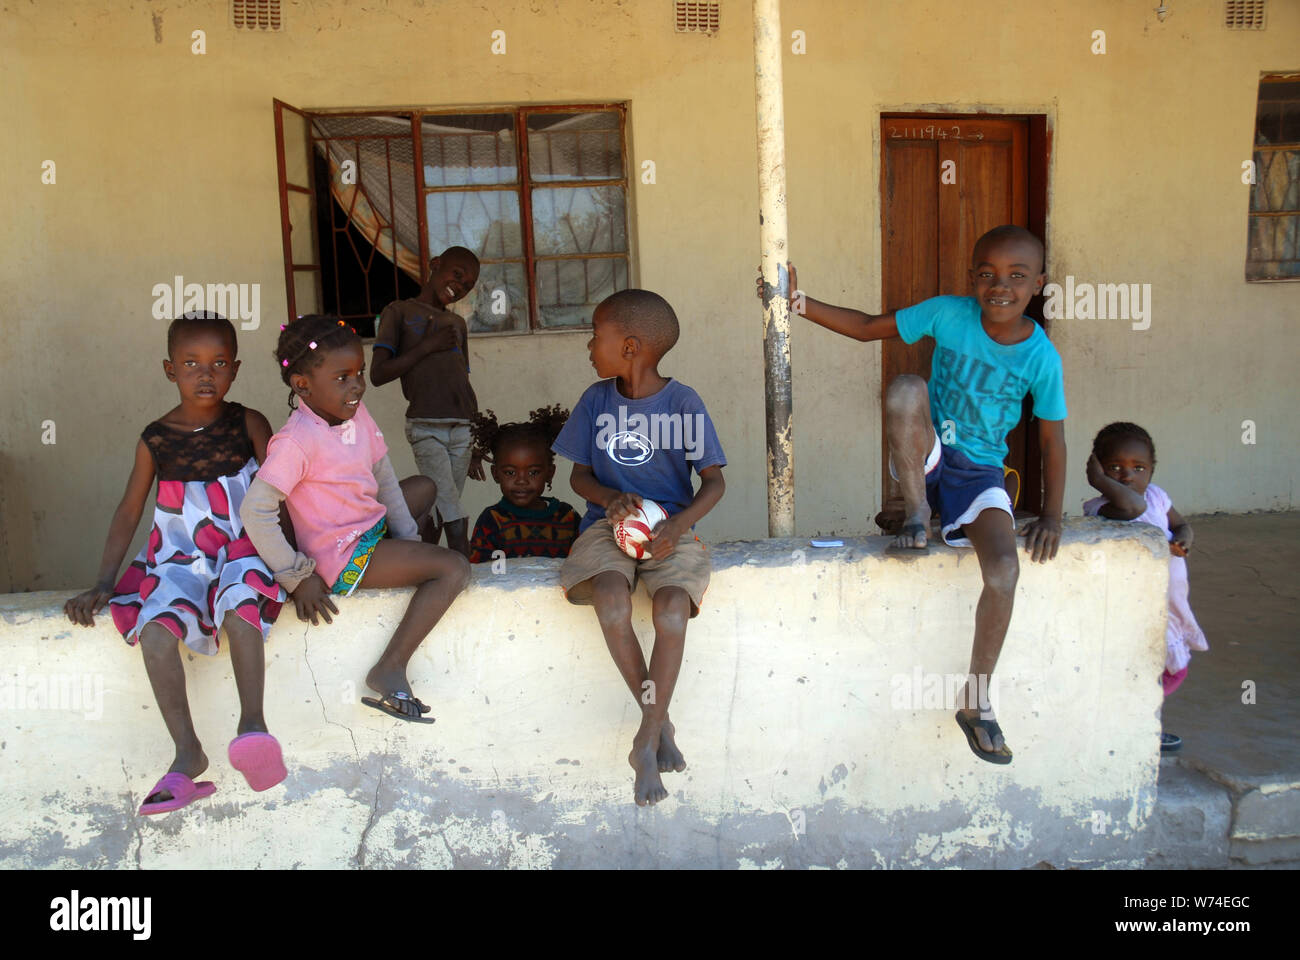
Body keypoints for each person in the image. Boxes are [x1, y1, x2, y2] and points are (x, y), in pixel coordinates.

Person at [764, 225, 1067, 764]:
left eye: (1017, 277)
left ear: (1038, 283)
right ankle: (916, 514)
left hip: (979, 477)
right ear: (973, 279)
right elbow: (864, 328)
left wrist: (1053, 516)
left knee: (1003, 571)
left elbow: (1052, 437)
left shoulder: (1041, 357)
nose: (1001, 286)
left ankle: (976, 702)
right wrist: (797, 301)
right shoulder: (949, 313)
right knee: (907, 388)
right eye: (988, 275)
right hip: (926, 461)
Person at [64, 313, 288, 815]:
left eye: (218, 363)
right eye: (191, 364)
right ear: (170, 370)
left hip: (242, 547)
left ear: (235, 369)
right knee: (156, 631)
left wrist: (295, 568)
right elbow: (129, 510)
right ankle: (188, 751)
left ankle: (252, 727)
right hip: (179, 559)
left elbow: (280, 498)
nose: (205, 374)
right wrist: (103, 580)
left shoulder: (250, 423)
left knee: (240, 602)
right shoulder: (155, 439)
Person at [239, 315, 471, 723]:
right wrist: (296, 576)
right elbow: (255, 510)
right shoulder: (296, 442)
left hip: (369, 527)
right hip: (342, 553)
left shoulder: (355, 413)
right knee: (453, 568)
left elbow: (381, 474)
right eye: (343, 377)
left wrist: (408, 539)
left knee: (423, 488)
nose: (358, 385)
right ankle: (390, 667)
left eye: (360, 373)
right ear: (302, 385)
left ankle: (408, 552)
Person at [552, 289, 726, 806]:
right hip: (609, 527)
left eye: (596, 335)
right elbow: (579, 476)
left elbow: (714, 483)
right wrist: (609, 499)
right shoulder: (595, 400)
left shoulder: (683, 403)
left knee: (672, 612)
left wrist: (679, 527)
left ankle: (645, 737)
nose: (588, 345)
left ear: (630, 346)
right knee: (612, 598)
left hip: (670, 528)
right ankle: (659, 723)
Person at [1084, 421, 1207, 753]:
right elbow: (1130, 508)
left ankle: (1141, 720)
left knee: (1170, 667)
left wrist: (1183, 537)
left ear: (1152, 471)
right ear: (1096, 469)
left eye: (1138, 468)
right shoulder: (1102, 508)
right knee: (1154, 668)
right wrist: (1098, 482)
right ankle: (1134, 721)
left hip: (1173, 605)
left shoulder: (1157, 498)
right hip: (1140, 611)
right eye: (1114, 468)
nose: (1127, 476)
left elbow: (1180, 523)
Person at [371, 247, 486, 557]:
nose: (460, 285)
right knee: (451, 505)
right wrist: (428, 346)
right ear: (436, 264)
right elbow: (378, 373)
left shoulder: (457, 325)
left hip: (463, 427)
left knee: (439, 505)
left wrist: (477, 437)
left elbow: (463, 380)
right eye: (457, 274)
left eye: (468, 284)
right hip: (426, 425)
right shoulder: (399, 312)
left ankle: (424, 563)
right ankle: (462, 559)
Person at [467, 405, 580, 563]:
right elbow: (481, 572)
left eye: (533, 472)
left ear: (550, 473)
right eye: (510, 472)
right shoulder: (492, 520)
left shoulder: (567, 517)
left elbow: (584, 564)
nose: (521, 481)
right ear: (495, 474)